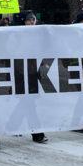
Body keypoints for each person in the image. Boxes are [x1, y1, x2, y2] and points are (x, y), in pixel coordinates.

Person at [20, 11, 48, 143]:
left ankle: (12, 125)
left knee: (26, 102)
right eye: (28, 20)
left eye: (33, 20)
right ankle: (37, 133)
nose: (31, 22)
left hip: (32, 74)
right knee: (28, 103)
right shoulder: (17, 35)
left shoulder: (35, 36)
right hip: (20, 74)